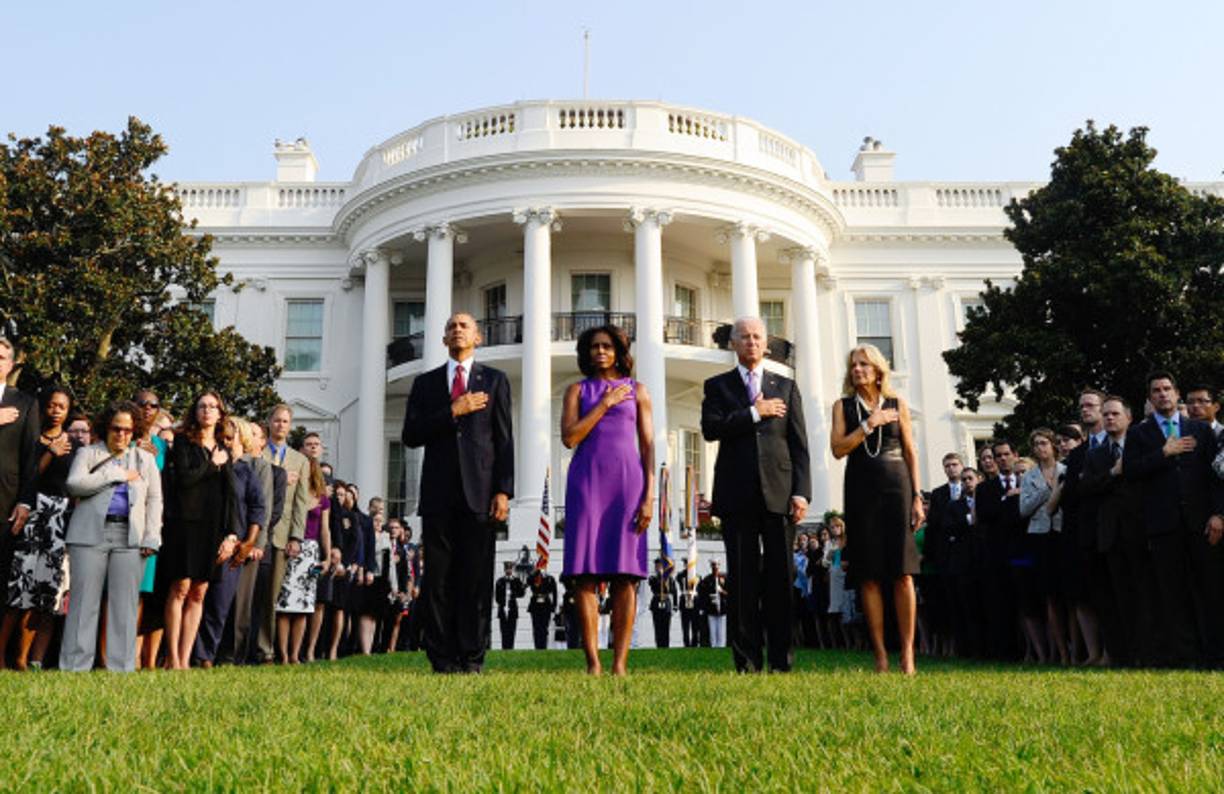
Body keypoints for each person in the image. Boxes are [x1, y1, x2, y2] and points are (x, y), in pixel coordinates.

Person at [403, 312, 513, 674]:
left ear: (478, 338)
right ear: (443, 339)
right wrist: (453, 410)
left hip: (480, 496)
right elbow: (411, 434)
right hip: (438, 495)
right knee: (438, 581)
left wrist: (503, 491)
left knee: (476, 580)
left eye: (464, 326)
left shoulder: (494, 381)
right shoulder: (426, 384)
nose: (457, 330)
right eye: (451, 326)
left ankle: (472, 655)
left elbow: (503, 440)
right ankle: (442, 657)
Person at [702, 316, 810, 673]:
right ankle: (747, 661)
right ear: (733, 344)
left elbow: (798, 444)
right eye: (744, 337)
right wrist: (753, 412)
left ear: (766, 344)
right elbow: (711, 429)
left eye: (757, 337)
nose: (751, 342)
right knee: (743, 581)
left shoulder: (786, 386)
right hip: (737, 495)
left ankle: (782, 660)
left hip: (780, 494)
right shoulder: (717, 386)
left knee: (780, 582)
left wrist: (801, 493)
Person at [561, 323, 655, 676]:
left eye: (607, 346)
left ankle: (619, 663)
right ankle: (593, 663)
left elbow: (647, 445)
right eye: (594, 347)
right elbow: (570, 438)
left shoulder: (638, 391)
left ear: (618, 351)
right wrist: (603, 403)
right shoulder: (577, 390)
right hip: (587, 484)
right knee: (584, 575)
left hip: (627, 485)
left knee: (625, 575)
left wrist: (649, 496)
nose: (600, 352)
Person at [830, 343, 923, 675]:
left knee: (902, 573)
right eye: (853, 364)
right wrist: (870, 424)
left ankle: (908, 655)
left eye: (864, 364)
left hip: (897, 486)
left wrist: (916, 496)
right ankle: (881, 655)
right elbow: (838, 449)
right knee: (868, 575)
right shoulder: (843, 406)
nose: (857, 369)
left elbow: (911, 450)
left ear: (878, 370)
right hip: (860, 490)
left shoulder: (899, 404)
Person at [1123, 371, 1224, 667]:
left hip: (1202, 524)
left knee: (1210, 590)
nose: (1163, 394)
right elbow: (1129, 472)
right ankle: (1187, 656)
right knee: (1173, 594)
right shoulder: (1140, 434)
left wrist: (1219, 513)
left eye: (1167, 389)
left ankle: (1216, 654)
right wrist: (1163, 453)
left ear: (1177, 393)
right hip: (1163, 527)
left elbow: (1215, 479)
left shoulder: (1201, 430)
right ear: (1150, 398)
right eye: (1156, 390)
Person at [59, 401, 162, 672]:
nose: (122, 435)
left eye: (128, 430)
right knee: (83, 604)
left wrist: (152, 536)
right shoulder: (89, 453)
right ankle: (74, 666)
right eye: (116, 428)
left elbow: (155, 499)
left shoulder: (146, 459)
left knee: (125, 606)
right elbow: (74, 484)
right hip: (89, 534)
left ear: (135, 431)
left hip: (130, 536)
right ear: (106, 428)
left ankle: (121, 667)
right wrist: (114, 474)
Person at [161, 390, 238, 670]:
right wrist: (210, 465)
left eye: (212, 406)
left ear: (220, 413)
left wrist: (231, 534)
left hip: (212, 528)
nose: (207, 410)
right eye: (202, 406)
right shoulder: (183, 442)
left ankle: (186, 656)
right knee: (180, 587)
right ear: (195, 411)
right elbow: (184, 480)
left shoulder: (224, 449)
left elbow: (231, 496)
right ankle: (173, 658)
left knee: (199, 592)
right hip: (184, 524)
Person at [0, 386, 76, 670]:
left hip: (58, 520)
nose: (56, 411)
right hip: (31, 515)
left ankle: (27, 659)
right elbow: (30, 476)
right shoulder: (31, 437)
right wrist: (49, 452)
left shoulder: (74, 444)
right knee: (18, 591)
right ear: (43, 407)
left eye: (62, 407)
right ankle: (3, 654)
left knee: (45, 596)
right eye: (52, 405)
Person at [1081, 396, 1155, 667]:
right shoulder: (1095, 454)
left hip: (1142, 531)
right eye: (1107, 414)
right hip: (1110, 535)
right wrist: (1112, 473)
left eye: (1115, 414)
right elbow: (1086, 488)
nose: (1110, 418)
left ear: (1128, 418)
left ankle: (1150, 653)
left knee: (1146, 596)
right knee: (1119, 599)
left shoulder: (1144, 446)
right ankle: (1125, 655)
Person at [194, 417, 266, 668]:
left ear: (240, 439)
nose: (224, 442)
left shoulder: (246, 472)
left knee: (219, 605)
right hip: (204, 541)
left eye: (229, 438)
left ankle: (205, 656)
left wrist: (248, 542)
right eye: (221, 437)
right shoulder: (208, 464)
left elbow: (258, 509)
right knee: (194, 599)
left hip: (234, 548)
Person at [260, 404, 311, 663]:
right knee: (249, 593)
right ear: (269, 423)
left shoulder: (300, 461)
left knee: (271, 595)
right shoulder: (257, 452)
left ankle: (266, 649)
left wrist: (296, 537)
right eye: (277, 420)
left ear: (290, 426)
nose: (281, 425)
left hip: (281, 535)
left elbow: (302, 502)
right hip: (255, 530)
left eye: (285, 421)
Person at [0, 332, 40, 660]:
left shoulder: (25, 403)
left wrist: (26, 502)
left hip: (6, 505)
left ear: (10, 365)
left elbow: (30, 459)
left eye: (1, 357)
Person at [232, 421, 285, 665]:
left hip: (251, 543)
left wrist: (256, 544)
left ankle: (238, 653)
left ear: (262, 441)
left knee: (245, 602)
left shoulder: (262, 468)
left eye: (253, 434)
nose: (247, 437)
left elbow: (264, 509)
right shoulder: (234, 463)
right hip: (231, 539)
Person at [1017, 428, 1067, 665]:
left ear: (1053, 445)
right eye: (1036, 444)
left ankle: (1071, 649)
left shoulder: (1065, 469)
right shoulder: (1029, 477)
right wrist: (1047, 491)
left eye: (1044, 443)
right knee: (1047, 596)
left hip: (1063, 532)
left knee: (1065, 594)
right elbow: (1024, 509)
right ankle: (1055, 653)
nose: (1040, 448)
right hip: (1038, 535)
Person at [975, 440, 1022, 661]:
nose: (1003, 459)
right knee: (999, 600)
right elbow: (985, 515)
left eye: (1006, 454)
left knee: (1024, 596)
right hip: (996, 553)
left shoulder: (1025, 480)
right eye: (998, 456)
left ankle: (1028, 648)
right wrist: (1008, 500)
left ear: (1014, 454)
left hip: (1023, 551)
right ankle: (1006, 651)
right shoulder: (984, 488)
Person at [924, 452, 965, 657]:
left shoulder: (971, 487)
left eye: (955, 465)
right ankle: (950, 646)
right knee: (947, 601)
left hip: (967, 552)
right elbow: (933, 525)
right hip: (945, 555)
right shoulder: (938, 493)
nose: (951, 469)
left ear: (962, 465)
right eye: (947, 466)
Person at [697, 560, 728, 648]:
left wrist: (722, 591)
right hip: (711, 608)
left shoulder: (724, 578)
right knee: (713, 632)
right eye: (714, 567)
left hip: (722, 608)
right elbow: (702, 593)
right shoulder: (707, 579)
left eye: (717, 566)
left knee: (721, 632)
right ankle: (714, 648)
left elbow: (730, 593)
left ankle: (721, 647)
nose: (715, 569)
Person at [494, 561, 524, 650]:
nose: (508, 570)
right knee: (503, 631)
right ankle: (504, 648)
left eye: (510, 569)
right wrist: (503, 600)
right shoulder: (500, 581)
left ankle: (510, 648)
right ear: (504, 570)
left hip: (512, 609)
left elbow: (521, 594)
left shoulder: (516, 580)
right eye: (507, 569)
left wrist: (513, 594)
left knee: (511, 630)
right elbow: (497, 597)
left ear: (512, 569)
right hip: (503, 608)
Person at [526, 567, 558, 650]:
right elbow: (528, 581)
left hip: (546, 605)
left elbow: (555, 593)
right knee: (536, 627)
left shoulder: (550, 578)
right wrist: (534, 573)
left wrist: (554, 606)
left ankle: (543, 647)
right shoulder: (534, 577)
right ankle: (537, 647)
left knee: (544, 627)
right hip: (535, 605)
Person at [647, 558, 675, 648]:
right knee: (657, 626)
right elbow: (654, 586)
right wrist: (660, 577)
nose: (658, 567)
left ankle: (666, 645)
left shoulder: (669, 579)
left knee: (666, 626)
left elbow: (672, 590)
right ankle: (658, 645)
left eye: (659, 565)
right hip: (656, 602)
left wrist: (675, 605)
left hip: (666, 602)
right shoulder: (653, 578)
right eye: (656, 566)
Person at [675, 557, 698, 647]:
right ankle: (686, 644)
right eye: (686, 563)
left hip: (694, 601)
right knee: (685, 625)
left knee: (695, 625)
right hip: (684, 600)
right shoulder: (680, 575)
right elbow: (679, 579)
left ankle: (694, 643)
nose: (687, 565)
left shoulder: (697, 575)